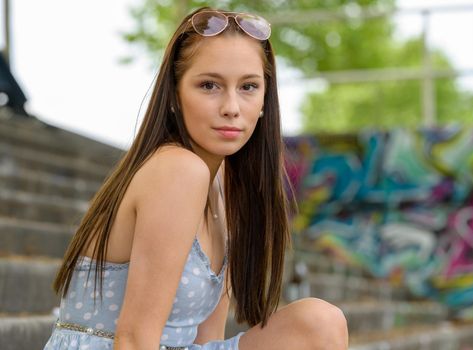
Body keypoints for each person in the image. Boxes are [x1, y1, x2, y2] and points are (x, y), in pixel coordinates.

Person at [44, 7, 348, 350]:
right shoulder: (176, 171)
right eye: (209, 85)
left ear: (265, 99)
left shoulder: (228, 188)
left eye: (248, 86)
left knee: (319, 324)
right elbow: (132, 339)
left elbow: (206, 340)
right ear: (174, 95)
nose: (232, 106)